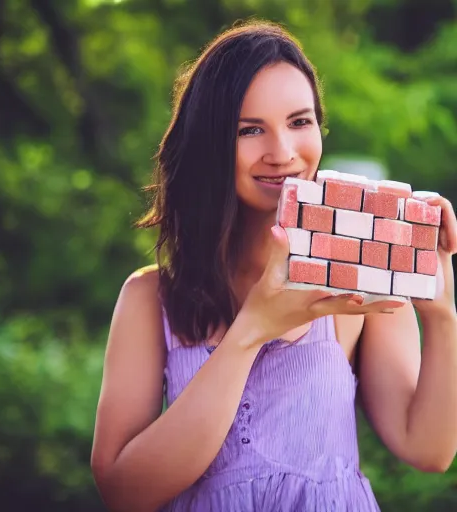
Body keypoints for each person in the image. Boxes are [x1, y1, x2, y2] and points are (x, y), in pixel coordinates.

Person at [90, 20, 457, 512]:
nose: (282, 153)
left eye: (300, 122)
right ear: (208, 143)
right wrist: (252, 330)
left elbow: (429, 448)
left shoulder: (357, 276)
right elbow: (123, 491)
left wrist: (441, 314)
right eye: (249, 130)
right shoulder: (151, 298)